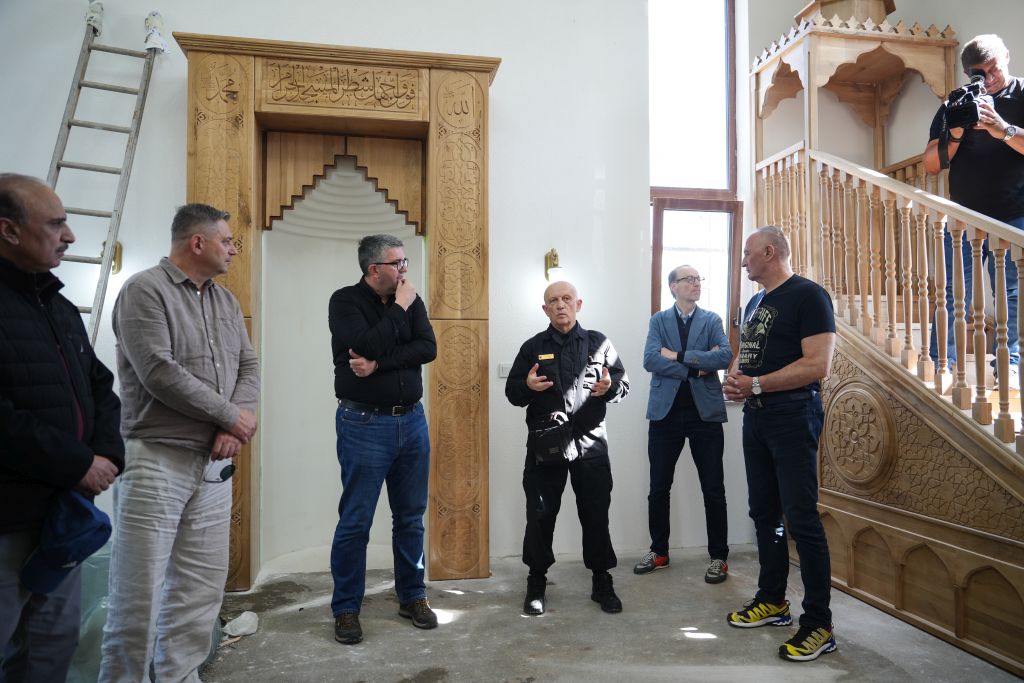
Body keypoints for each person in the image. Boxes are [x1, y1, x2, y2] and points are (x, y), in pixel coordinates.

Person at [99, 203, 260, 681]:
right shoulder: (144, 290)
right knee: (138, 597)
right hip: (157, 460)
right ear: (198, 242)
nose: (233, 249)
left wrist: (232, 426)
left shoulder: (225, 301)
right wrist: (230, 417)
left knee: (199, 591)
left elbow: (248, 365)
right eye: (227, 241)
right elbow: (158, 372)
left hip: (213, 465)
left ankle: (179, 676)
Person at [0, 173, 124, 681]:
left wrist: (108, 455)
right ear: (9, 230)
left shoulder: (56, 305)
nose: (69, 235)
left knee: (50, 649)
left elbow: (100, 385)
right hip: (9, 517)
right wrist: (79, 463)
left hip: (63, 515)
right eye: (55, 224)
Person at [723, 226, 837, 662]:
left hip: (793, 415)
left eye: (748, 253)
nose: (743, 261)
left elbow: (818, 364)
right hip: (757, 417)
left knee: (802, 519)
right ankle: (772, 600)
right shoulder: (756, 302)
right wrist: (736, 376)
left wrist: (756, 385)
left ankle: (819, 624)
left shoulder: (809, 296)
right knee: (764, 513)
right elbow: (747, 352)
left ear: (769, 252)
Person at [328, 234, 437, 645]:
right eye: (398, 263)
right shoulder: (345, 301)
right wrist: (401, 309)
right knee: (356, 521)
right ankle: (346, 608)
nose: (405, 270)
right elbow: (365, 344)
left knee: (410, 517)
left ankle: (412, 596)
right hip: (364, 424)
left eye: (405, 262)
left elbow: (427, 348)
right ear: (374, 269)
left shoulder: (409, 298)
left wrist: (378, 365)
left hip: (412, 422)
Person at [505, 280, 629, 616]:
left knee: (596, 514)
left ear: (578, 304)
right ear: (545, 309)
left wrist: (610, 387)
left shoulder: (599, 343)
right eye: (553, 301)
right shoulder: (533, 347)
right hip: (546, 448)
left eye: (566, 299)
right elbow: (513, 393)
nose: (560, 305)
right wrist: (527, 386)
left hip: (590, 445)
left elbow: (623, 384)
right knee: (540, 515)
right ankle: (536, 581)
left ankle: (602, 581)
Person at [924, 34, 1024, 382]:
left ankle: (1009, 363)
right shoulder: (956, 103)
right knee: (953, 292)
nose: (989, 78)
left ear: (1006, 56)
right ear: (968, 73)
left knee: (1011, 293)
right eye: (980, 73)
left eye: (994, 68)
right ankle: (942, 362)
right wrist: (955, 132)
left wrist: (1002, 129)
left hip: (1014, 213)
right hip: (964, 215)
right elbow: (932, 164)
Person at [633, 265, 733, 583]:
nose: (696, 283)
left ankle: (718, 557)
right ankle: (659, 551)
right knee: (658, 487)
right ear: (673, 287)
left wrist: (676, 356)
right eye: (689, 280)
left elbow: (724, 356)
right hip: (665, 415)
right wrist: (696, 366)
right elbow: (650, 359)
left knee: (713, 488)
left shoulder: (712, 320)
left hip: (705, 415)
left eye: (698, 279)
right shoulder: (659, 320)